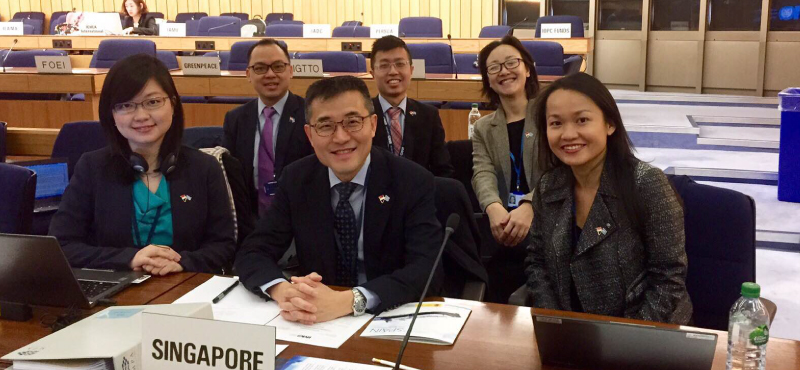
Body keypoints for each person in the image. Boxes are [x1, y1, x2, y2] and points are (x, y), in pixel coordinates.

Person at [235, 76, 442, 324]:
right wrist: (284, 291)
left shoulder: (412, 181)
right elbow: (253, 251)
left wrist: (350, 301)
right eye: (325, 126)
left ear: (373, 125)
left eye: (353, 122)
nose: (341, 137)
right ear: (309, 135)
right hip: (317, 321)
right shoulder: (297, 178)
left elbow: (426, 270)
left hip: (387, 315)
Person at [525, 72, 693, 324]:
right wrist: (553, 321)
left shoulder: (646, 184)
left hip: (646, 335)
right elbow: (537, 263)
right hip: (571, 335)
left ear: (610, 124)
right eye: (556, 123)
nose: (568, 134)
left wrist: (628, 339)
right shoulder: (549, 186)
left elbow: (668, 278)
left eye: (582, 120)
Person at [49, 54, 236, 275]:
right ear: (111, 113)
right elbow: (61, 245)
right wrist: (129, 259)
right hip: (115, 295)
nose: (141, 115)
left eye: (153, 102)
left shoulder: (204, 167)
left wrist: (182, 262)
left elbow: (224, 245)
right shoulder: (92, 167)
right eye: (126, 105)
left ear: (173, 105)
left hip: (186, 291)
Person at [471, 35, 541, 303]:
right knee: (491, 290)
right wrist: (493, 207)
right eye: (494, 67)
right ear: (488, 79)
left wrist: (530, 205)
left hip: (547, 224)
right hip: (504, 227)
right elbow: (482, 171)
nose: (504, 71)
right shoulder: (484, 128)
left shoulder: (549, 115)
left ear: (527, 68)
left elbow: (560, 171)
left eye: (511, 62)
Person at [223, 39, 313, 218]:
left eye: (278, 66)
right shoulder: (235, 119)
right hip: (250, 220)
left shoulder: (310, 115)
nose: (270, 74)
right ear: (248, 74)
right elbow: (231, 179)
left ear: (291, 70)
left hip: (299, 216)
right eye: (260, 68)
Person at [369, 36, 454, 177]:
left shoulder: (428, 116)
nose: (393, 72)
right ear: (372, 73)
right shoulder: (362, 115)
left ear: (411, 70)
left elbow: (443, 171)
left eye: (400, 64)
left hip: (419, 195)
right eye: (384, 65)